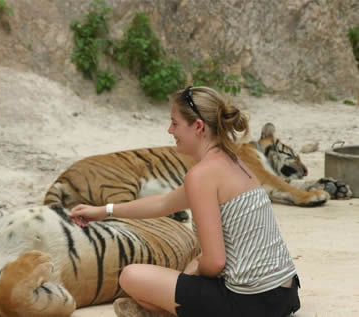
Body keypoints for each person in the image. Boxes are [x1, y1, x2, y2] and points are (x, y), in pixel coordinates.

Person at [69, 86, 301, 317]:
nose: (170, 130)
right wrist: (104, 210)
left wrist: (192, 271)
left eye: (175, 123)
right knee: (190, 265)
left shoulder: (202, 175)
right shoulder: (233, 162)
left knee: (131, 276)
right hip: (285, 294)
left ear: (198, 127)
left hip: (250, 304)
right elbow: (163, 203)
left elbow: (216, 262)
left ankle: (164, 311)